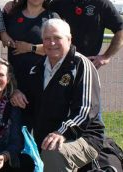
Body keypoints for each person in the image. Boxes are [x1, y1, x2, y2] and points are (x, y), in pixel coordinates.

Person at [21, 18, 105, 171]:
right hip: (47, 138)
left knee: (53, 154)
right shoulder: (37, 69)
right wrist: (16, 94)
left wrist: (62, 132)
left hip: (83, 137)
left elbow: (85, 110)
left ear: (69, 39)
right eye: (47, 39)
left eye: (57, 38)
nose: (51, 43)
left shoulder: (81, 65)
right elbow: (29, 103)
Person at [50, 0, 123, 69]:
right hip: (60, 64)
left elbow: (120, 29)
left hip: (88, 66)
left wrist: (105, 56)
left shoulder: (101, 4)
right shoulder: (57, 5)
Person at [1, 0, 59, 103]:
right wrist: (3, 35)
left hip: (43, 81)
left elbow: (59, 48)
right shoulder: (12, 13)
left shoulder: (52, 17)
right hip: (15, 82)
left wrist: (30, 48)